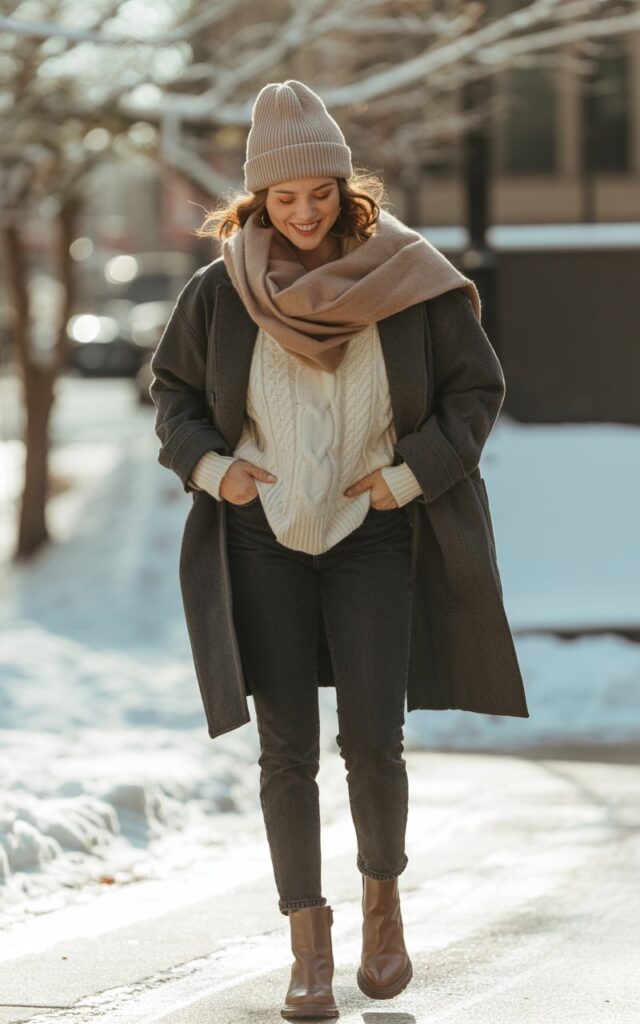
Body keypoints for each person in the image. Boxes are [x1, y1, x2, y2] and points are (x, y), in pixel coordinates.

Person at [149, 79, 529, 1020]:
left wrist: (409, 478)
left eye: (320, 192)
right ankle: (307, 949)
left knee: (372, 739)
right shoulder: (220, 293)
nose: (305, 212)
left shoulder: (409, 280)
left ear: (345, 188)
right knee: (286, 752)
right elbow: (173, 398)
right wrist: (216, 471)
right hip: (262, 539)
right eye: (285, 197)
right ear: (258, 199)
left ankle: (383, 916)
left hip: (375, 536)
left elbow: (475, 393)